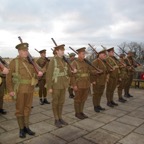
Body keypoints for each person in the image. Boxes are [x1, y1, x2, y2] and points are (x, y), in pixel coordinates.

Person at [6, 42, 43, 138]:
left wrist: (39, 75)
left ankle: (27, 127)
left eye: (27, 50)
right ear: (19, 51)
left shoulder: (31, 62)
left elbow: (36, 75)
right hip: (19, 90)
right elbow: (8, 78)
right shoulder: (14, 62)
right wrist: (10, 90)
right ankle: (21, 129)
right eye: (24, 51)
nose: (26, 52)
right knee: (19, 110)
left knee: (27, 108)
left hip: (30, 89)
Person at [46, 44, 75, 128]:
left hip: (63, 85)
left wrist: (73, 71)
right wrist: (49, 87)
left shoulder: (64, 60)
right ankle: (56, 119)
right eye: (61, 50)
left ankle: (60, 117)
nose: (63, 51)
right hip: (55, 85)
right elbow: (49, 75)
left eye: (63, 50)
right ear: (57, 51)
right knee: (55, 103)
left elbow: (68, 73)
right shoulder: (53, 61)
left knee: (61, 102)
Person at [71, 47, 91, 119]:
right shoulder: (74, 63)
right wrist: (74, 85)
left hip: (86, 84)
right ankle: (77, 113)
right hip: (78, 84)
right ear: (78, 54)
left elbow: (89, 72)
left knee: (83, 99)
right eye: (82, 54)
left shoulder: (86, 62)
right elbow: (72, 75)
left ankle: (81, 112)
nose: (84, 55)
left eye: (84, 54)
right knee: (77, 99)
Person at [91, 47, 108, 112]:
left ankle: (98, 105)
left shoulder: (103, 62)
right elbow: (91, 71)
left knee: (100, 93)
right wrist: (93, 80)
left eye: (105, 55)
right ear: (100, 55)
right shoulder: (95, 62)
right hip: (97, 81)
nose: (105, 56)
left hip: (102, 81)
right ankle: (95, 106)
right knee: (96, 94)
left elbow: (105, 71)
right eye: (104, 55)